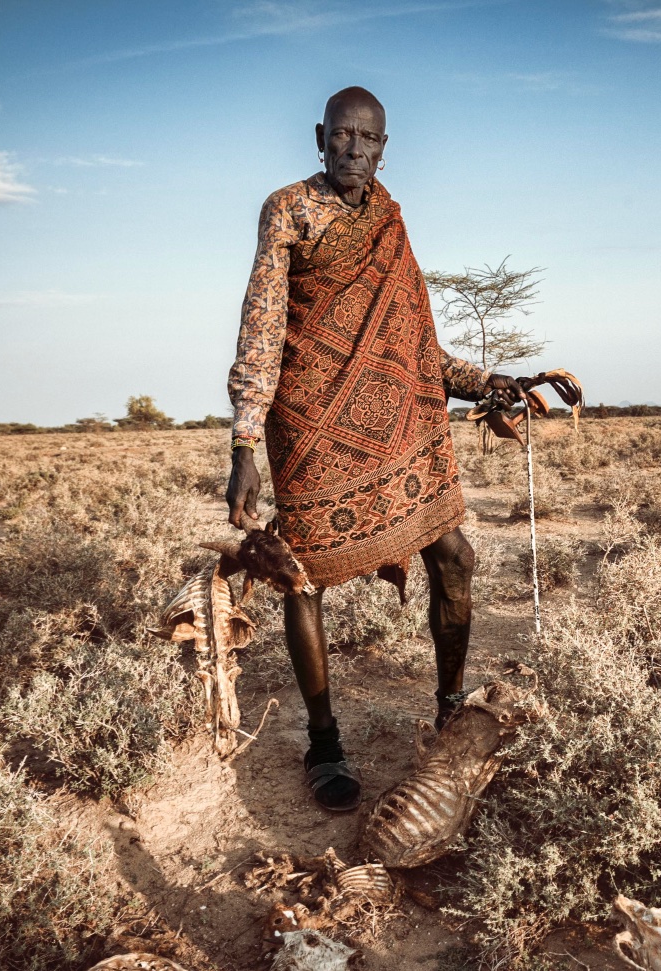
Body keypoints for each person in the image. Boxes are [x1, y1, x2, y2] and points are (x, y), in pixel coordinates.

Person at [225, 87, 523, 812]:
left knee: (455, 555)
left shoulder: (389, 218)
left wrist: (489, 381)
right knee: (304, 577)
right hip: (309, 419)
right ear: (318, 136)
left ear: (385, 148)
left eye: (369, 140)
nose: (355, 150)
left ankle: (451, 709)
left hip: (396, 421)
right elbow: (262, 324)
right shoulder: (288, 208)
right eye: (342, 137)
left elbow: (418, 340)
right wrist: (243, 440)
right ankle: (324, 744)